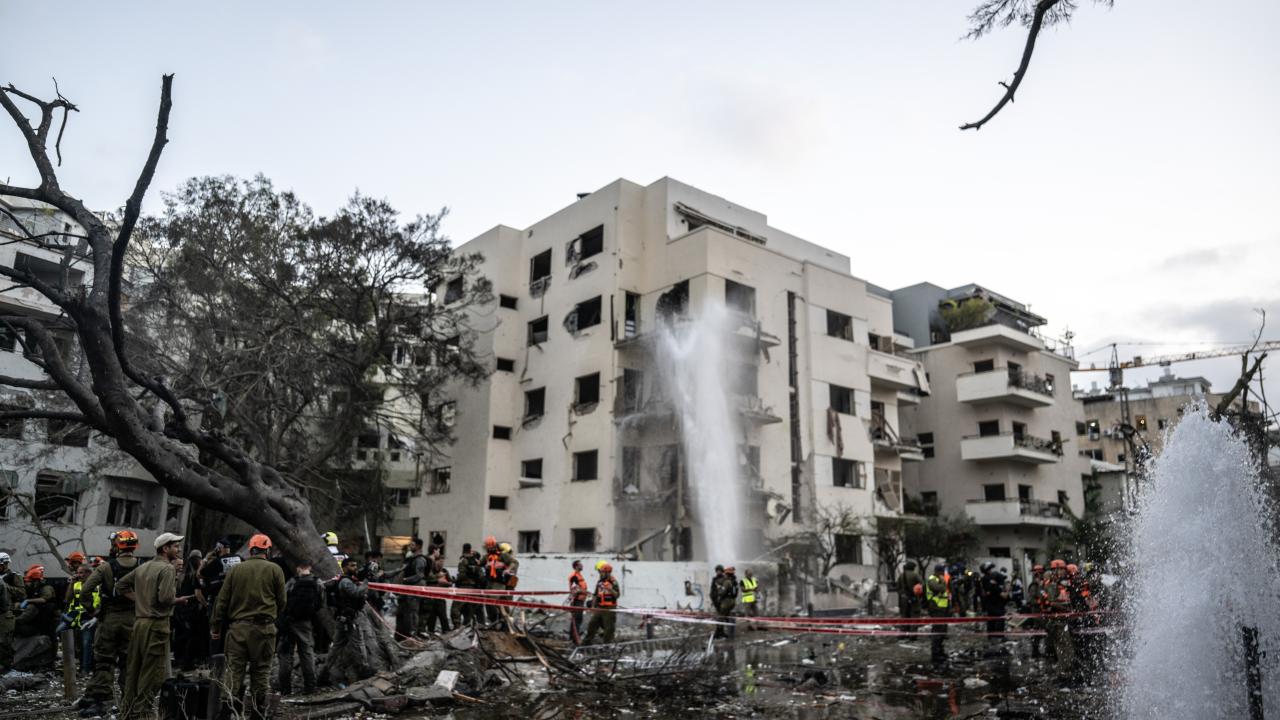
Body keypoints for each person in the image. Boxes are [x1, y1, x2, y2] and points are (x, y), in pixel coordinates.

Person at [211, 534, 287, 720]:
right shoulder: (275, 569)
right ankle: (257, 713)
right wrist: (272, 616)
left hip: (238, 629)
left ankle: (227, 712)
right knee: (260, 672)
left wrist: (216, 627)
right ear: (267, 550)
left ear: (251, 549)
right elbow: (282, 601)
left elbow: (222, 601)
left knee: (234, 671)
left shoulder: (236, 570)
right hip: (264, 630)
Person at [117, 532, 185, 720]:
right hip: (156, 625)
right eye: (175, 546)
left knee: (134, 670)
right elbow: (165, 598)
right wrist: (178, 600)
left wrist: (141, 600)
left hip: (139, 623)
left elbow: (121, 586)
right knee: (153, 672)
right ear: (165, 548)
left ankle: (127, 712)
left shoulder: (143, 567)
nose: (178, 550)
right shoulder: (168, 569)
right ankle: (142, 713)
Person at [78, 530, 141, 716]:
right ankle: (129, 703)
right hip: (133, 620)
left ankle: (101, 701)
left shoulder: (105, 567)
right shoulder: (142, 566)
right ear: (135, 546)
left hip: (109, 620)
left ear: (117, 545)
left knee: (104, 661)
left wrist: (92, 611)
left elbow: (85, 591)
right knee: (128, 662)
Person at [277, 561, 322, 696]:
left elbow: (282, 599)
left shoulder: (292, 582)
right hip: (306, 623)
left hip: (289, 622)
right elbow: (320, 603)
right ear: (310, 567)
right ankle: (310, 687)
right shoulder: (318, 582)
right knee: (307, 654)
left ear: (298, 568)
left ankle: (285, 689)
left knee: (285, 653)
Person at [174, 549, 207, 672]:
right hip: (192, 609)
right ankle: (188, 663)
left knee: (181, 635)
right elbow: (198, 594)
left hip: (180, 608)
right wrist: (206, 604)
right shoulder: (196, 575)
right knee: (192, 636)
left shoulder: (182, 575)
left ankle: (179, 659)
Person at [65, 563, 98, 673]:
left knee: (87, 643)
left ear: (89, 573)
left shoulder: (97, 585)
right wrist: (72, 584)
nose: (78, 575)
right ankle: (83, 666)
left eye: (81, 573)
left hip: (90, 618)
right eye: (78, 572)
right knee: (78, 645)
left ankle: (85, 669)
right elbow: (68, 599)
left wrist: (96, 615)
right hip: (76, 619)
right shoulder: (76, 584)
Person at [16, 565, 58, 641]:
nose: (26, 584)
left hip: (51, 617)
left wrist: (28, 601)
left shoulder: (46, 587)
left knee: (51, 636)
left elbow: (44, 599)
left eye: (29, 582)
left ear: (36, 581)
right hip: (41, 617)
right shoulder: (34, 588)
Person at [396, 538, 428, 638]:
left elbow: (419, 575)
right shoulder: (412, 559)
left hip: (414, 589)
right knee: (405, 613)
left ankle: (412, 635)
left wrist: (406, 579)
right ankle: (403, 635)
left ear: (418, 546)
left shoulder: (420, 560)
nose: (410, 546)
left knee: (413, 613)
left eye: (413, 545)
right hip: (408, 589)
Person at [582, 563, 620, 644]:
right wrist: (593, 606)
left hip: (609, 609)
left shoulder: (613, 582)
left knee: (608, 628)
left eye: (602, 572)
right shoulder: (600, 582)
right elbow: (596, 595)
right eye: (601, 572)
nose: (601, 574)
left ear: (608, 573)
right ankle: (586, 643)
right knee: (592, 624)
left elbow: (617, 595)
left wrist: (610, 589)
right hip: (599, 607)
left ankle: (607, 645)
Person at [451, 544, 482, 628]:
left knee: (455, 608)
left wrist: (455, 580)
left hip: (463, 587)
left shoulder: (463, 560)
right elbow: (480, 575)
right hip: (473, 588)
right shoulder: (476, 561)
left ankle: (457, 626)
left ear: (463, 549)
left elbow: (462, 575)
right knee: (468, 608)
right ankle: (467, 626)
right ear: (470, 549)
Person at [925, 563, 950, 663]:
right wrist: (943, 581)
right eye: (942, 572)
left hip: (942, 608)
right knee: (937, 631)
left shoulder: (938, 579)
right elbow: (941, 589)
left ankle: (940, 651)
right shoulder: (932, 580)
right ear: (938, 572)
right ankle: (935, 654)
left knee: (942, 631)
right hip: (936, 607)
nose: (943, 574)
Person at [978, 563, 1009, 642]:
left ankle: (992, 635)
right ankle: (998, 636)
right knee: (998, 618)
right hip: (993, 602)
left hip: (993, 602)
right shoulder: (986, 579)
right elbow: (993, 589)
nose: (991, 571)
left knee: (992, 618)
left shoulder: (988, 578)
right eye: (990, 569)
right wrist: (1000, 592)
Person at [420, 563, 452, 634]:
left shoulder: (444, 571)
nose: (440, 564)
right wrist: (437, 580)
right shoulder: (430, 572)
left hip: (440, 596)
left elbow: (450, 583)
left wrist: (445, 583)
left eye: (441, 562)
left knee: (443, 615)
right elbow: (427, 581)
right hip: (431, 597)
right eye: (438, 563)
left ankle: (446, 630)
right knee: (432, 616)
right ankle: (431, 631)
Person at [712, 566, 738, 639]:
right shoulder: (734, 581)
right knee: (728, 616)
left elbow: (722, 592)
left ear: (727, 574)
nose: (724, 575)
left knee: (720, 616)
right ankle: (730, 633)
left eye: (725, 574)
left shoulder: (727, 582)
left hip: (726, 602)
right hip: (732, 601)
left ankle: (719, 633)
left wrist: (719, 589)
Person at [0, 552, 15, 672]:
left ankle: (6, 667)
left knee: (4, 642)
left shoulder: (13, 576)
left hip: (5, 613)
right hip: (4, 611)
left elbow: (21, 593)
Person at [568, 560, 589, 643]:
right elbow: (574, 589)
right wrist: (584, 592)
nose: (582, 566)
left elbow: (580, 587)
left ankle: (573, 636)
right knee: (577, 618)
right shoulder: (574, 576)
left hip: (581, 600)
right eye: (580, 565)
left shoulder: (579, 575)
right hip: (577, 600)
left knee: (578, 618)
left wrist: (585, 592)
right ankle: (574, 637)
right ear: (576, 566)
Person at [898, 561, 922, 626]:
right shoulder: (915, 575)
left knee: (905, 616)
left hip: (904, 599)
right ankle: (913, 631)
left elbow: (898, 588)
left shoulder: (901, 575)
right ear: (913, 568)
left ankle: (904, 630)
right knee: (914, 616)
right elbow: (921, 584)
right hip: (913, 598)